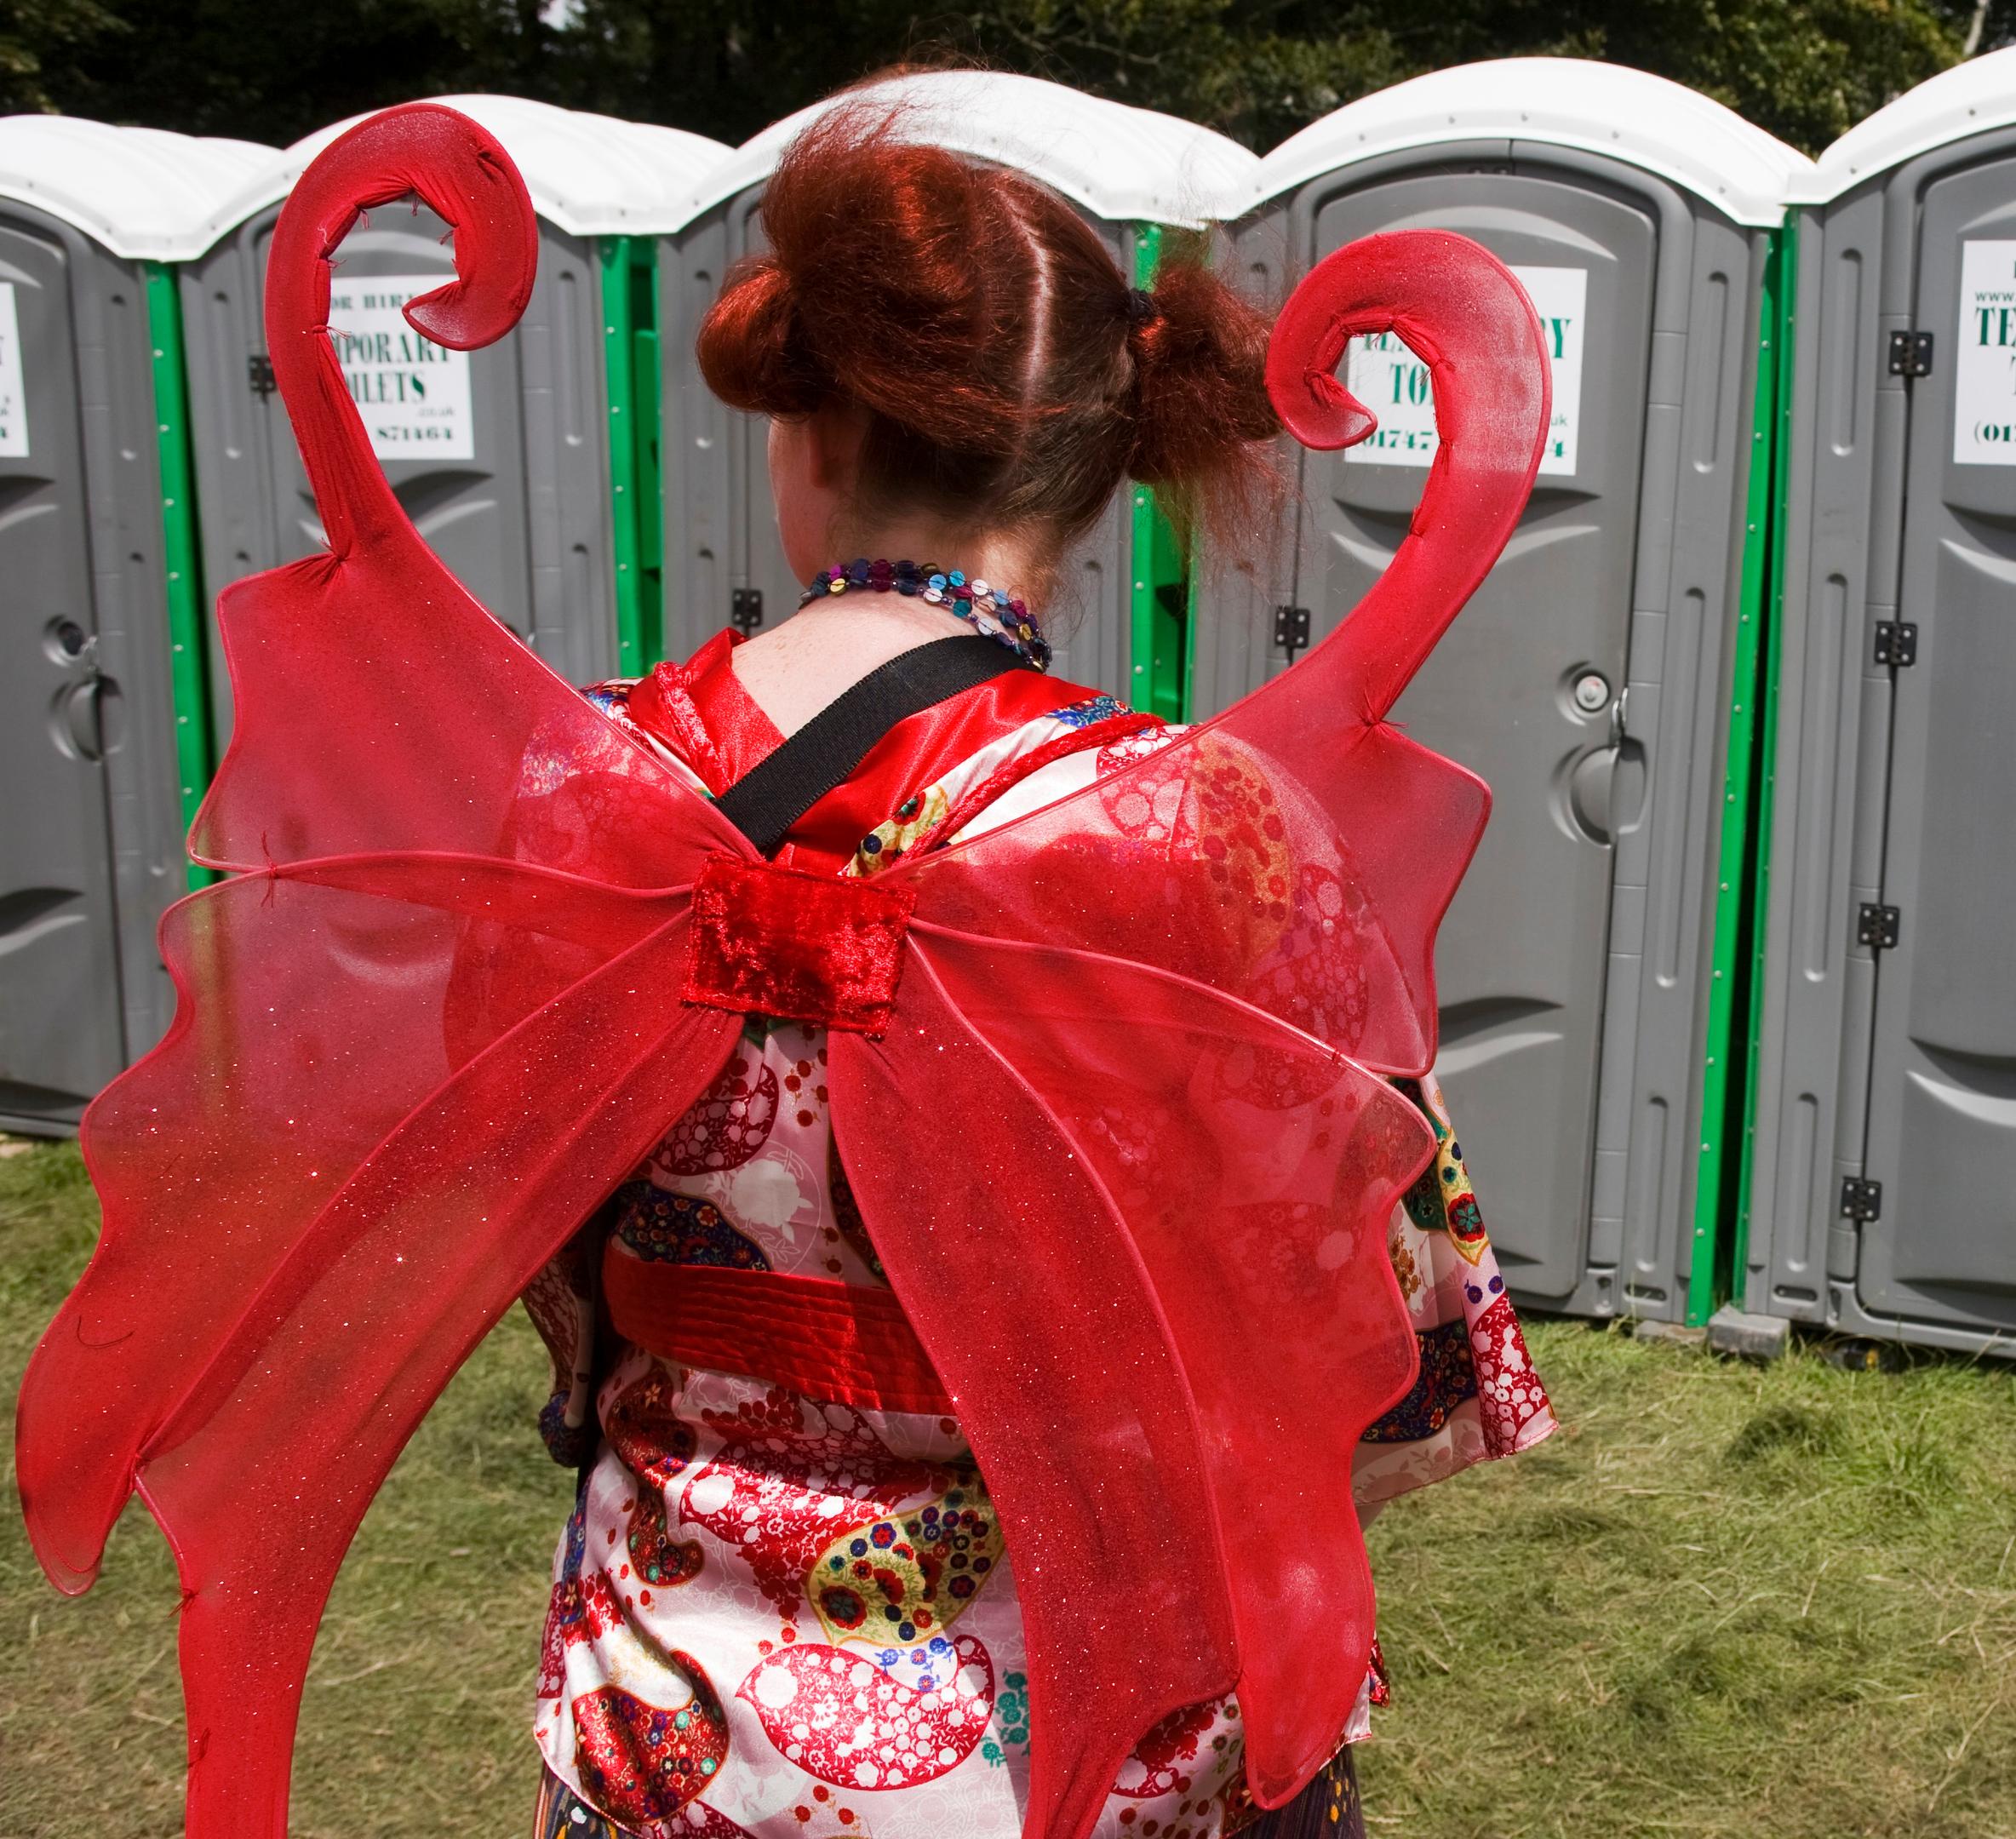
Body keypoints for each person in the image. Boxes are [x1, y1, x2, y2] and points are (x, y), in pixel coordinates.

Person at [515, 94, 1556, 1839]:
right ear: (1092, 470)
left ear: (815, 430)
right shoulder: (1198, 834)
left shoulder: (586, 788)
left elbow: (524, 1226)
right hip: (1091, 1739)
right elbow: (1403, 1321)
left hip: (680, 1723)